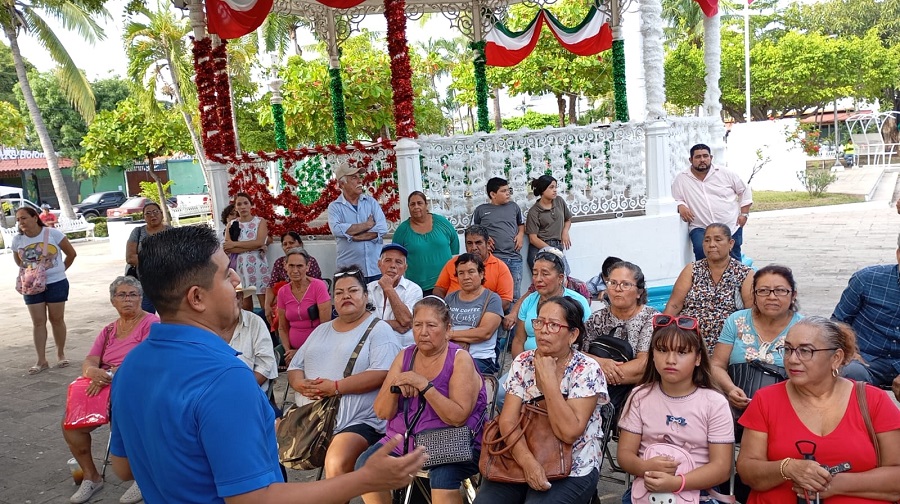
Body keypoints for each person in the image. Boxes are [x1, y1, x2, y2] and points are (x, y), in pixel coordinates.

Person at [109, 226, 426, 503]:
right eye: (225, 274)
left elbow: (124, 467)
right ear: (197, 298)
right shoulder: (226, 378)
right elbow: (256, 498)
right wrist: (365, 480)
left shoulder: (129, 367)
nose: (237, 280)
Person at [736, 316, 900, 503]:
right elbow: (748, 471)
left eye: (805, 351)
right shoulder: (765, 400)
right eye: (788, 349)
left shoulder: (873, 400)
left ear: (836, 358)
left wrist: (834, 484)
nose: (792, 359)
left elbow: (896, 478)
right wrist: (787, 468)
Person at [473, 296, 608, 504]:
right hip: (521, 453)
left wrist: (549, 383)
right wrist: (528, 463)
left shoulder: (586, 369)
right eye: (539, 322)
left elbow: (569, 433)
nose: (543, 330)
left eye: (554, 325)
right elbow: (508, 420)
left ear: (573, 335)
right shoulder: (523, 361)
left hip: (573, 464)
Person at [357, 296, 487, 504]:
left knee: (443, 477)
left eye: (431, 325)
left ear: (448, 330)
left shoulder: (460, 359)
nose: (423, 332)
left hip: (451, 442)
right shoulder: (405, 356)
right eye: (417, 325)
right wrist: (396, 387)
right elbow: (382, 413)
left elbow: (457, 417)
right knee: (365, 466)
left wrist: (425, 386)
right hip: (406, 440)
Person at [287, 266, 400, 482]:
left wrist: (336, 387)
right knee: (260, 444)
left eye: (353, 290)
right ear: (333, 300)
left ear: (365, 295)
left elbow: (383, 372)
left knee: (336, 461)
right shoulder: (321, 329)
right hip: (310, 419)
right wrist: (300, 384)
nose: (345, 295)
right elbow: (294, 366)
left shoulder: (379, 329)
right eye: (339, 292)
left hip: (358, 421)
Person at [617, 314, 735, 503]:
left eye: (682, 352)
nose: (670, 360)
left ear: (698, 358)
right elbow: (624, 453)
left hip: (700, 492)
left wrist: (676, 483)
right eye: (662, 350)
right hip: (647, 488)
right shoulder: (640, 396)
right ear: (652, 355)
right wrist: (644, 467)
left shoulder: (715, 403)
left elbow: (721, 467)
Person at [63, 276, 158, 504]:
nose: (128, 299)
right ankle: (91, 477)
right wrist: (93, 373)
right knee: (71, 425)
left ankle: (143, 479)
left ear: (141, 299)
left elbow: (146, 359)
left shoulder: (152, 323)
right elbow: (90, 360)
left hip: (136, 386)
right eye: (121, 295)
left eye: (133, 294)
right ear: (112, 301)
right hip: (103, 386)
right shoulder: (108, 330)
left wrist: (112, 375)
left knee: (125, 414)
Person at [711, 265, 803, 413]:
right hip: (736, 409)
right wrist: (731, 389)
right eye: (763, 291)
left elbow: (810, 375)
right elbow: (716, 365)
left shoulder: (803, 328)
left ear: (793, 295)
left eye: (780, 290)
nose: (772, 297)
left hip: (786, 408)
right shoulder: (737, 320)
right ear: (754, 295)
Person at [664, 223, 754, 353]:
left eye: (718, 240)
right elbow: (674, 305)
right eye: (707, 240)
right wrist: (662, 331)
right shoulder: (692, 270)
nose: (711, 245)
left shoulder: (744, 273)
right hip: (689, 339)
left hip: (727, 343)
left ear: (731, 243)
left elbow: (751, 312)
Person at [581, 261, 658, 410]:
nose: (617, 289)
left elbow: (643, 365)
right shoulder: (596, 319)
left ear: (639, 292)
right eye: (612, 283)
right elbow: (576, 354)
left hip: (638, 392)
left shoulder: (651, 318)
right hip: (595, 391)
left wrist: (596, 372)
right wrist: (600, 363)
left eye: (625, 284)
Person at [11, 207, 77, 374]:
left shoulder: (53, 234)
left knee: (57, 319)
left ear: (35, 217)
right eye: (18, 220)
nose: (21, 222)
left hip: (56, 282)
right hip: (31, 285)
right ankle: (41, 360)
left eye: (24, 218)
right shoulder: (18, 239)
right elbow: (19, 262)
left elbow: (71, 254)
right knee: (38, 321)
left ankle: (60, 354)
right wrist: (33, 274)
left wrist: (60, 271)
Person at [834, 234, 900, 388]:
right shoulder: (867, 279)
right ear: (898, 254)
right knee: (850, 372)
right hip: (865, 358)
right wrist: (848, 351)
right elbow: (837, 322)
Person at [672, 143, 753, 262]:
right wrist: (680, 205)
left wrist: (744, 214)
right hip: (700, 226)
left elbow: (744, 190)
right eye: (698, 157)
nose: (702, 160)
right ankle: (707, 280)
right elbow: (674, 198)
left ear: (711, 157)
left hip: (730, 224)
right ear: (690, 160)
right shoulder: (682, 179)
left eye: (705, 156)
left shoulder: (725, 173)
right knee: (702, 253)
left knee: (733, 260)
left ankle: (735, 281)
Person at [510, 249, 591, 359]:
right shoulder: (529, 301)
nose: (538, 279)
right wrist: (520, 368)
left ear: (560, 278)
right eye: (534, 274)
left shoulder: (578, 302)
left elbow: (586, 342)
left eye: (545, 274)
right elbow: (519, 341)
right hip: (528, 363)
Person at [328, 163, 388, 283]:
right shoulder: (335, 207)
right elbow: (336, 229)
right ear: (342, 184)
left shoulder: (371, 202)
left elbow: (382, 229)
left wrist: (354, 236)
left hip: (375, 270)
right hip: (348, 272)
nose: (360, 181)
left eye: (359, 177)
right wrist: (367, 225)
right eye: (354, 178)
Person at [444, 254, 504, 375]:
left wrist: (451, 335)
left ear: (481, 274)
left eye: (471, 272)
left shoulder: (492, 299)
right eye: (461, 273)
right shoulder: (450, 298)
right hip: (448, 354)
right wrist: (463, 337)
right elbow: (441, 329)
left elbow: (484, 333)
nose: (466, 277)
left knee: (459, 374)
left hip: (480, 358)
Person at [391, 191, 459, 296]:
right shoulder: (402, 231)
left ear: (426, 205)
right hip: (418, 288)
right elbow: (395, 257)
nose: (416, 207)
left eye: (419, 203)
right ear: (408, 207)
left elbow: (455, 246)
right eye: (412, 204)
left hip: (447, 284)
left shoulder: (442, 222)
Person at [434, 225, 514, 312]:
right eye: (469, 243)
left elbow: (505, 302)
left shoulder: (500, 267)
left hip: (485, 316)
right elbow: (439, 290)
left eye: (478, 243)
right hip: (452, 314)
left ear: (488, 244)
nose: (474, 248)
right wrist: (446, 310)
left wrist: (478, 313)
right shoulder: (453, 263)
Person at [473, 177, 526, 299]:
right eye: (503, 191)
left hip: (514, 258)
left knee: (514, 294)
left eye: (509, 190)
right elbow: (474, 232)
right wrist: (485, 239)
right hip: (493, 259)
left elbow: (521, 224)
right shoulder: (481, 210)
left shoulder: (514, 207)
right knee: (493, 294)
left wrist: (520, 235)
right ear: (493, 194)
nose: (508, 193)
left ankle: (512, 318)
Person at [277, 248, 332, 364]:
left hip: (317, 348)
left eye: (300, 266)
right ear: (285, 266)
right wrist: (288, 351)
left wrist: (300, 352)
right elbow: (282, 327)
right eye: (291, 266)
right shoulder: (282, 292)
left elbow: (325, 326)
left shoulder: (318, 286)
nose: (295, 270)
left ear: (307, 267)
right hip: (291, 352)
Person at [368, 244, 423, 348]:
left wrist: (389, 288)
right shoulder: (368, 289)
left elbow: (406, 321)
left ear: (405, 268)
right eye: (388, 260)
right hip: (371, 347)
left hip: (402, 348)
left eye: (398, 262)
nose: (393, 265)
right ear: (379, 264)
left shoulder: (414, 289)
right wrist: (392, 324)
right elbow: (361, 324)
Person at [228, 288, 280, 394]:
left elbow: (265, 364)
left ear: (242, 299)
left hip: (252, 392)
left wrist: (242, 390)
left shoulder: (255, 322)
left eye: (239, 296)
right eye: (230, 296)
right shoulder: (205, 325)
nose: (236, 301)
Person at [224, 192, 270, 311]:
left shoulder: (260, 222)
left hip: (259, 265)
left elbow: (260, 242)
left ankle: (268, 328)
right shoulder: (232, 224)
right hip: (240, 267)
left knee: (264, 302)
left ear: (251, 205)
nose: (243, 206)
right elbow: (227, 247)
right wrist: (252, 245)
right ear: (235, 207)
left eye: (245, 203)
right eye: (239, 204)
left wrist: (235, 244)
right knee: (245, 303)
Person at [266, 231, 323, 326]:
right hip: (282, 301)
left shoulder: (310, 262)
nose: (288, 246)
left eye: (291, 243)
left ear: (300, 244)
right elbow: (271, 285)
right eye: (285, 244)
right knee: (265, 317)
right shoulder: (279, 262)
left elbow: (310, 286)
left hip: (306, 301)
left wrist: (281, 297)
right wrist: (267, 305)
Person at [125, 201, 172, 314]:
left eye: (155, 212)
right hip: (144, 283)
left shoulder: (171, 232)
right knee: (145, 317)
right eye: (148, 213)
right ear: (144, 217)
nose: (152, 215)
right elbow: (130, 257)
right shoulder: (138, 232)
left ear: (161, 213)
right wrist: (156, 261)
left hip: (168, 283)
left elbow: (178, 255)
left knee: (171, 317)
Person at [525, 174, 572, 273]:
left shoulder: (559, 201)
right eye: (551, 187)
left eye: (555, 187)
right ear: (542, 190)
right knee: (544, 281)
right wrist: (551, 250)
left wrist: (565, 232)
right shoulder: (534, 211)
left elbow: (568, 219)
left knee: (563, 276)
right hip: (539, 248)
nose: (555, 190)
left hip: (557, 245)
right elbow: (533, 239)